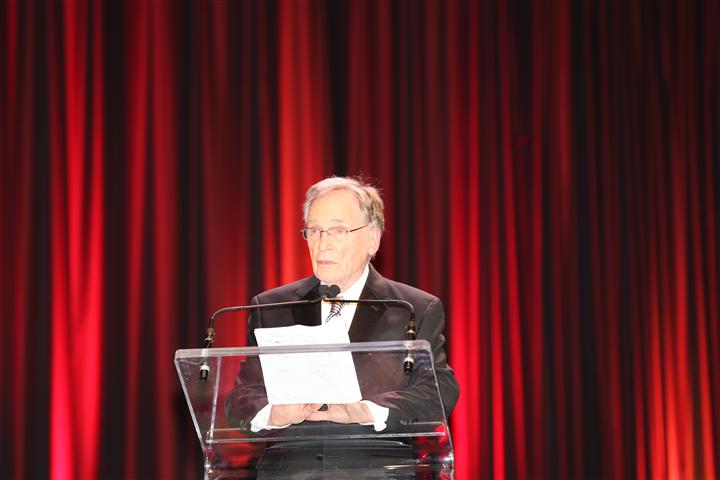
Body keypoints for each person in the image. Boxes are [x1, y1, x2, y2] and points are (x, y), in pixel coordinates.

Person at [224, 176, 459, 434]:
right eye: (315, 231)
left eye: (338, 231)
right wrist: (274, 414)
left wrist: (367, 411)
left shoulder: (412, 309)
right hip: (293, 456)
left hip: (376, 457)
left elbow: (438, 389)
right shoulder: (271, 308)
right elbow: (241, 397)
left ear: (373, 239)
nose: (323, 245)